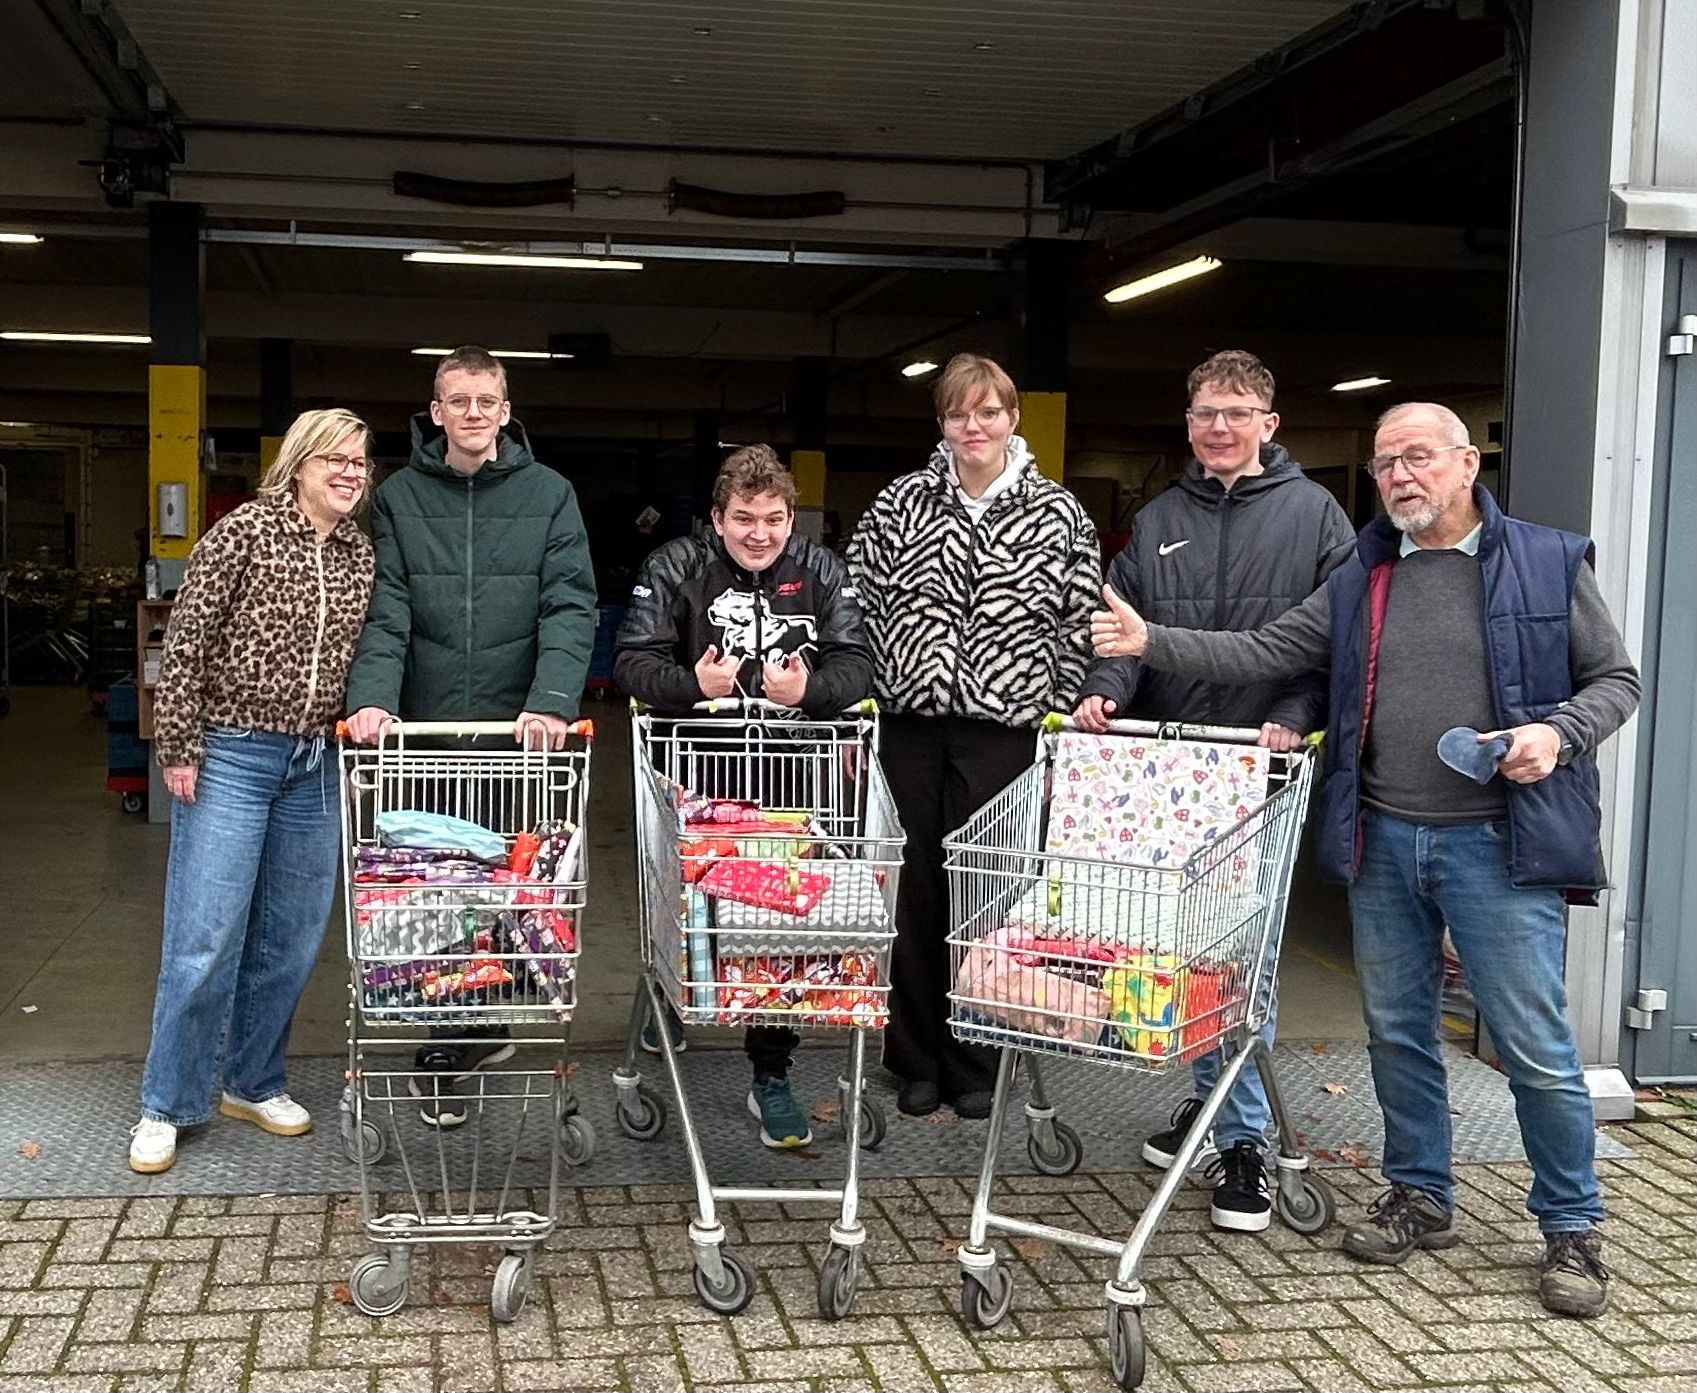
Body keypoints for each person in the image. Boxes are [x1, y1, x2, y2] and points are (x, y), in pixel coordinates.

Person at [1089, 401, 1640, 1318]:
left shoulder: (1547, 558)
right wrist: (1150, 641)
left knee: (1538, 1051)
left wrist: (1556, 732)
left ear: (1467, 463)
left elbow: (1614, 679)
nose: (1397, 477)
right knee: (1396, 1033)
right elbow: (1267, 649)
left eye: (1415, 458)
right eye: (1385, 464)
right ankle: (1420, 1193)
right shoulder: (1362, 572)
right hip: (1383, 837)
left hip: (1497, 842)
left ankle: (1571, 1228)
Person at [1074, 349, 1355, 1233]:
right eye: (1204, 413)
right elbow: (1120, 637)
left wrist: (1290, 710)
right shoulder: (1156, 518)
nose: (1219, 427)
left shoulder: (1316, 517)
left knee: (1247, 962)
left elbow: (1332, 642)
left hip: (1260, 765)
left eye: (1236, 412)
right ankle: (1217, 1109)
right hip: (1170, 778)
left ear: (1269, 424)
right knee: (1182, 952)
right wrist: (1103, 693)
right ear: (1187, 421)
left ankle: (1242, 1142)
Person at [344, 345, 597, 1127]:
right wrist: (374, 701)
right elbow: (386, 611)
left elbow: (569, 604)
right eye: (459, 400)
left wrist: (553, 700)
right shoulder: (396, 500)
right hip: (424, 733)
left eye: (487, 399)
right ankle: (448, 1037)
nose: (474, 413)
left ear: (507, 408)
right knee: (433, 888)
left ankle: (476, 1027)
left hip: (515, 733)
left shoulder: (551, 495)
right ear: (436, 408)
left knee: (504, 886)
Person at [847, 352, 1100, 1118]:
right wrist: (868, 693)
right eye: (959, 413)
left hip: (1003, 733)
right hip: (910, 725)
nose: (974, 425)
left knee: (987, 895)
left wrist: (1052, 709)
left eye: (988, 411)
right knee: (912, 890)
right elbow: (856, 600)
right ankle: (916, 1056)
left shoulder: (1058, 513)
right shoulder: (899, 504)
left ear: (1012, 419)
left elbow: (1078, 624)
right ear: (942, 423)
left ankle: (977, 1058)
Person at [130, 409, 376, 1174]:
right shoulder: (241, 532)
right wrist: (178, 746)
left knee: (291, 939)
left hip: (314, 764)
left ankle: (251, 1079)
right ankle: (166, 1102)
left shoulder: (359, 553)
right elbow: (187, 640)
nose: (348, 472)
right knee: (204, 937)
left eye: (360, 463)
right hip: (232, 752)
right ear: (298, 462)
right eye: (333, 458)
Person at [614, 444, 875, 1148]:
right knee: (682, 914)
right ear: (715, 520)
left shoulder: (821, 568)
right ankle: (672, 996)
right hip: (692, 778)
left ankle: (770, 1073)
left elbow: (856, 662)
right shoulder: (674, 566)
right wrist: (693, 687)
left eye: (773, 519)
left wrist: (810, 692)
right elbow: (632, 660)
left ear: (792, 518)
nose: (758, 533)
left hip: (791, 780)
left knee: (775, 925)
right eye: (742, 519)